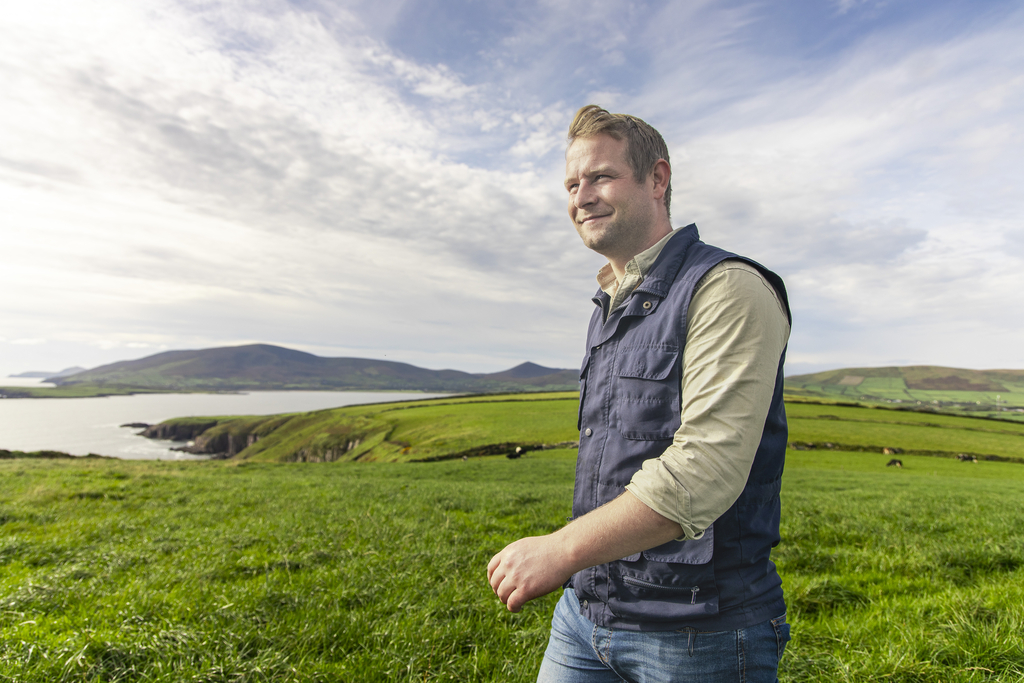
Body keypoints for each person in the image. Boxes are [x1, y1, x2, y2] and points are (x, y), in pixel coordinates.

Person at [487, 105, 793, 682]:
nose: (581, 197)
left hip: (699, 631)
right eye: (572, 185)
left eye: (601, 177)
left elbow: (704, 469)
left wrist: (561, 550)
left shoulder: (728, 289)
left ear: (658, 179)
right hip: (586, 614)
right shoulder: (610, 302)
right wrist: (581, 570)